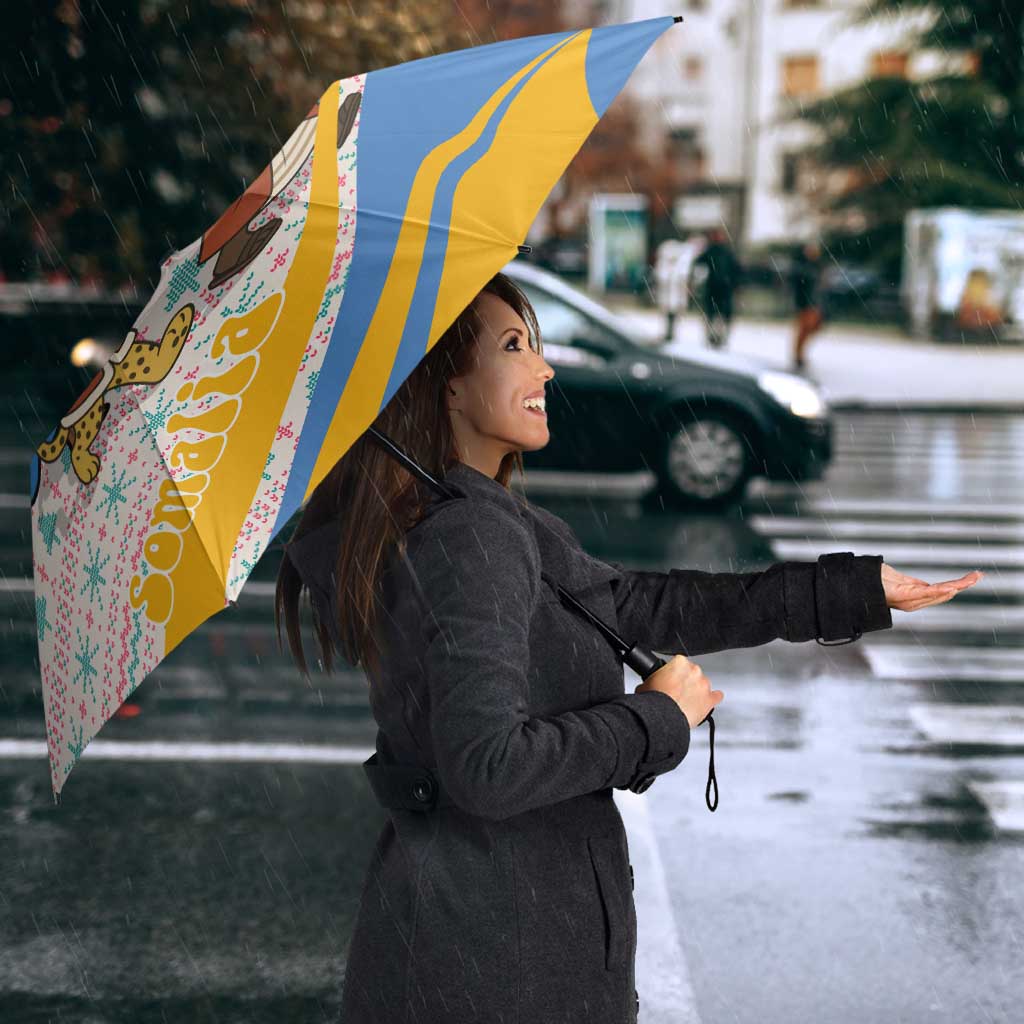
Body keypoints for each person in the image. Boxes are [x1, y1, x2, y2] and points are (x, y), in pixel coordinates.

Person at [275, 271, 977, 1024]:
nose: (544, 367)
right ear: (445, 385)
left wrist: (850, 591)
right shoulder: (469, 536)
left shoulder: (475, 518)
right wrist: (656, 719)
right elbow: (487, 768)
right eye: (514, 346)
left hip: (480, 941)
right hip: (499, 962)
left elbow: (639, 605)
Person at [692, 226, 742, 349]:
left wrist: (735, 284)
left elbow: (736, 270)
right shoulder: (712, 251)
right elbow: (698, 264)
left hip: (723, 288)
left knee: (720, 315)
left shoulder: (725, 252)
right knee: (713, 314)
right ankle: (713, 337)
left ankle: (719, 337)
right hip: (715, 288)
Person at [790, 239, 826, 370]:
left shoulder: (817, 266)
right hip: (805, 303)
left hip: (814, 303)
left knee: (812, 328)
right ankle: (798, 355)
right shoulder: (802, 267)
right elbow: (799, 286)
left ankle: (799, 354)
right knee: (804, 329)